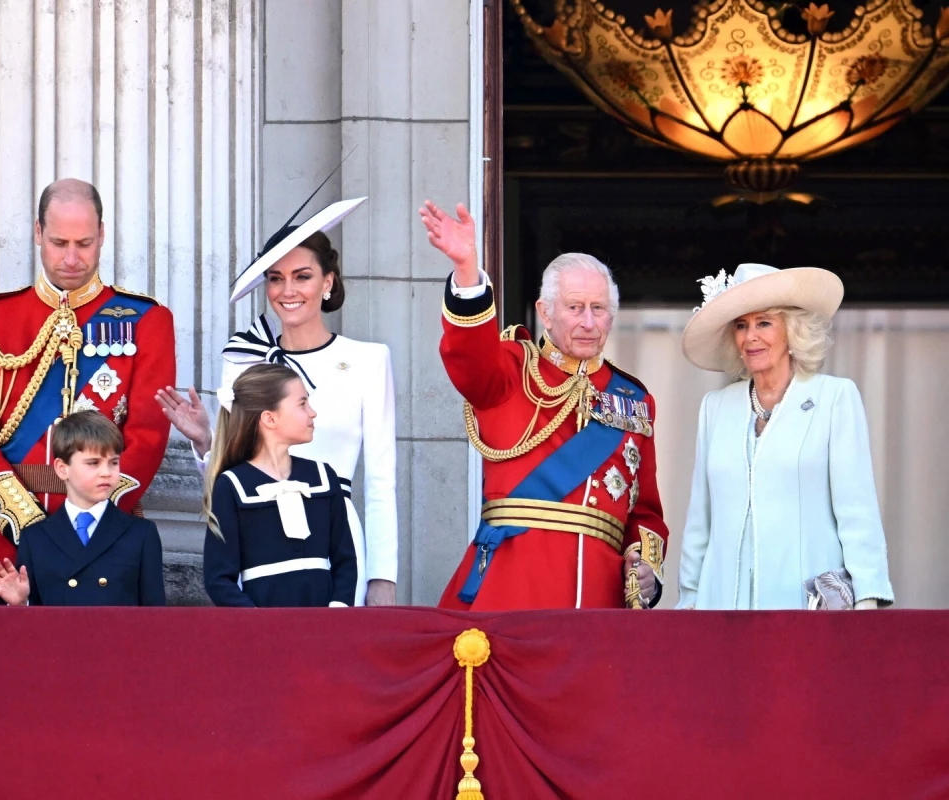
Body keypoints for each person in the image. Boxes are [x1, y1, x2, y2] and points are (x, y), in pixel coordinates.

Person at [420, 201, 668, 610]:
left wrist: (645, 569)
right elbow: (468, 353)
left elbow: (645, 512)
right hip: (511, 590)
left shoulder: (634, 400)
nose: (588, 322)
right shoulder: (511, 369)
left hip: (598, 602)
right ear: (545, 313)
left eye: (599, 309)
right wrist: (466, 270)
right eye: (574, 308)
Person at [156, 195, 397, 607]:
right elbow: (230, 476)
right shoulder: (244, 358)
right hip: (258, 536)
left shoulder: (368, 360)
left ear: (328, 282)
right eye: (275, 278)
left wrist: (382, 577)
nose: (287, 291)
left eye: (302, 276)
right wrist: (205, 443)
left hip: (336, 542)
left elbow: (380, 481)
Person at [0, 178, 175, 603]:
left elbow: (147, 436)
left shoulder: (147, 320)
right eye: (59, 243)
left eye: (84, 243)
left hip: (106, 541)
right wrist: (26, 521)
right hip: (11, 542)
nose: (72, 258)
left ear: (102, 235)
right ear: (38, 233)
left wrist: (95, 515)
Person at [676, 263, 894, 610]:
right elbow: (700, 520)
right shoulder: (715, 407)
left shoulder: (834, 398)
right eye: (741, 325)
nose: (751, 336)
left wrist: (866, 600)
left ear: (792, 331)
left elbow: (857, 511)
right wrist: (689, 599)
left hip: (805, 609)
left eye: (764, 323)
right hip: (720, 608)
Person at [201, 364, 357, 608]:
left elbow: (345, 559)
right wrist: (259, 622)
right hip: (263, 624)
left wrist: (337, 608)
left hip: (325, 621)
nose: (313, 413)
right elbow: (218, 579)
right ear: (270, 418)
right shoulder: (232, 486)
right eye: (302, 404)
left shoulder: (323, 477)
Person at [0, 411, 166, 606]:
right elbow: (35, 616)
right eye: (93, 463)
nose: (106, 472)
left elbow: (155, 614)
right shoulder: (35, 537)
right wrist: (21, 604)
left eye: (114, 463)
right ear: (62, 469)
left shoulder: (141, 533)